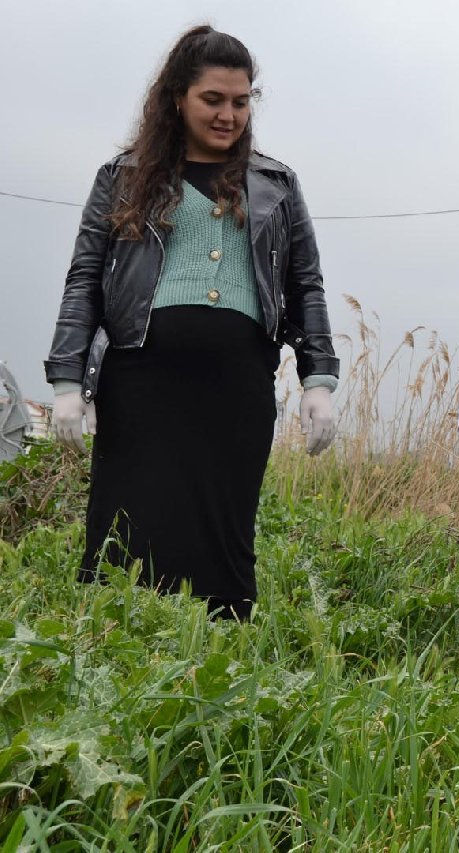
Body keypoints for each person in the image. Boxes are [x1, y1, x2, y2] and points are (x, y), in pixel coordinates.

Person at [44, 26, 339, 621]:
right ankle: (121, 662)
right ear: (178, 96)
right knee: (129, 536)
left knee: (222, 542)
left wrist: (318, 382)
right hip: (139, 386)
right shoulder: (121, 177)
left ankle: (221, 671)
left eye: (241, 100)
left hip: (236, 392)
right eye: (214, 99)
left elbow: (305, 284)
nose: (229, 114)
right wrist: (67, 382)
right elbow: (85, 279)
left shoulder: (276, 185)